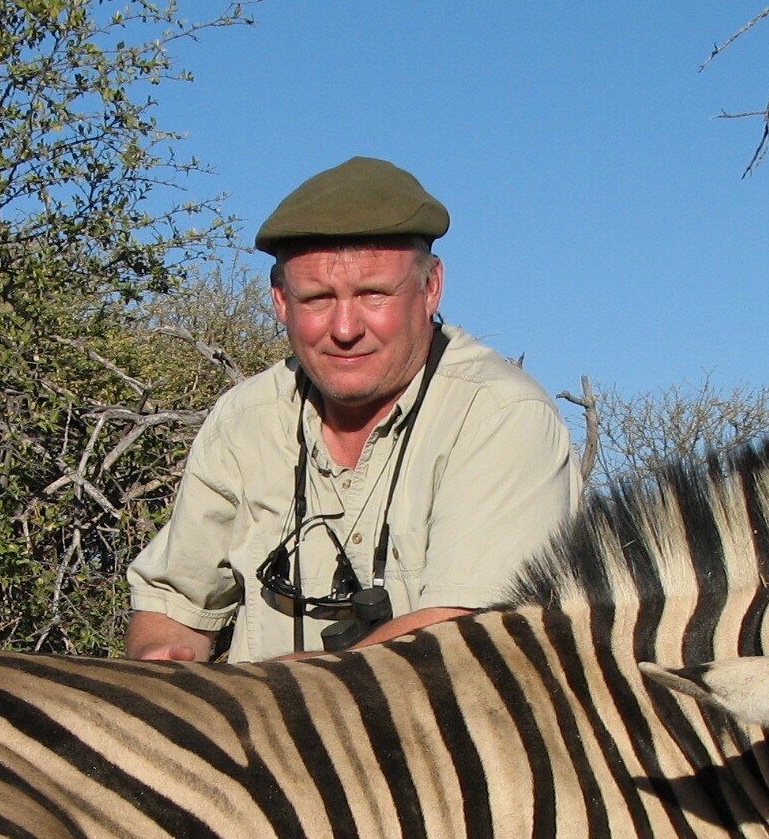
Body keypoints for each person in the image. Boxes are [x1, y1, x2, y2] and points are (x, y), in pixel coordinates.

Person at [126, 157, 580, 662]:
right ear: (280, 300)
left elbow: (466, 639)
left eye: (373, 294)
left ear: (431, 288)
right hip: (256, 737)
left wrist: (262, 690)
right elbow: (171, 604)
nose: (344, 328)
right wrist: (164, 664)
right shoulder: (243, 419)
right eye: (318, 298)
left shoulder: (500, 414)